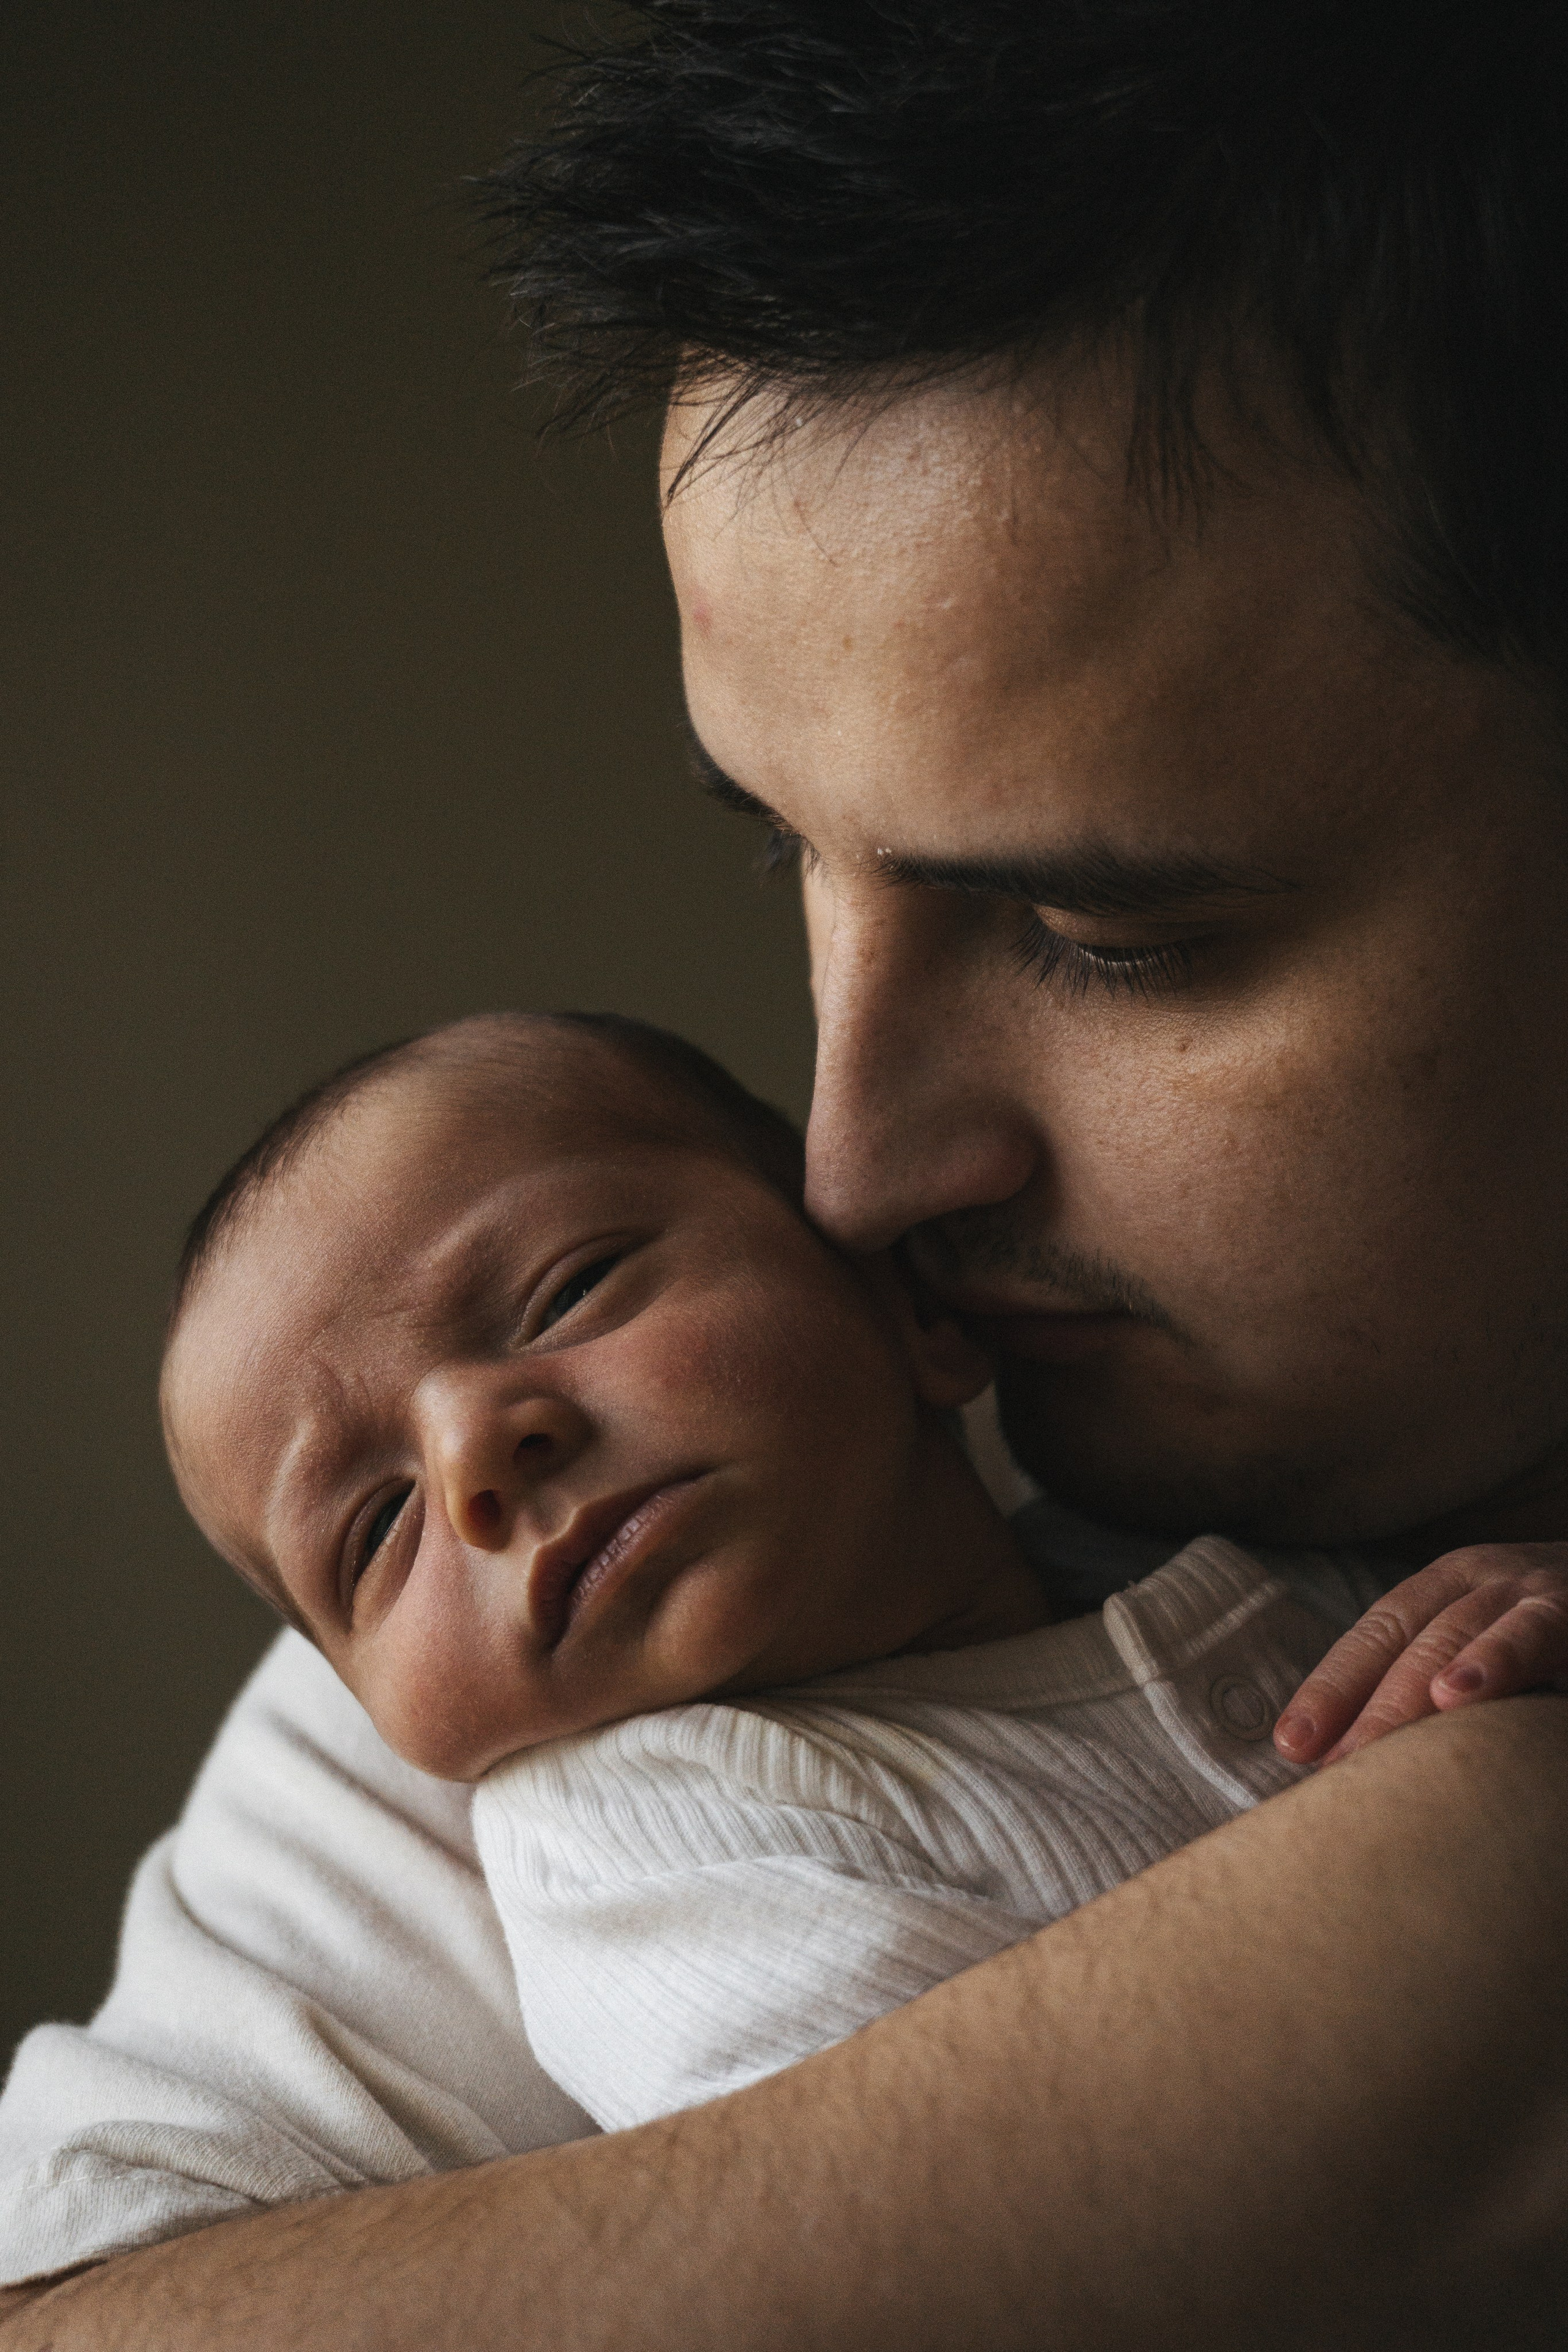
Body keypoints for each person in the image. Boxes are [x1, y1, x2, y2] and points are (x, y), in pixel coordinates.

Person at [6, 2, 1568, 2343]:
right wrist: (1440, 1930)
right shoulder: (575, 1639)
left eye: (1106, 933)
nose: (852, 1165)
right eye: (791, 867)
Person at [157, 1007, 1565, 2136]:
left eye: (567, 1290)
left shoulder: (1192, 1543)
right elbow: (1036, 2209)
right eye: (375, 1528)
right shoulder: (650, 1843)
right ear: (398, 1725)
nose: (475, 1454)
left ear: (913, 1312)